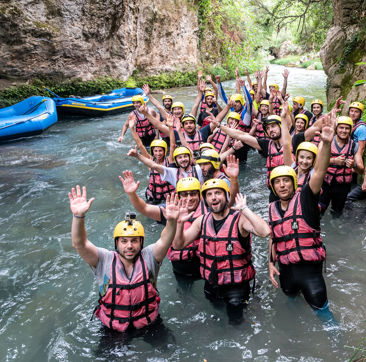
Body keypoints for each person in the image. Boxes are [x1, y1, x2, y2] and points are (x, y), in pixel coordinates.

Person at [68, 185, 180, 332]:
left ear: (141, 243)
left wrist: (171, 221)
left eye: (134, 241)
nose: (129, 246)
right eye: (124, 241)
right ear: (116, 243)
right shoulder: (103, 260)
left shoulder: (150, 257)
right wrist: (78, 216)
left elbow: (165, 239)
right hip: (113, 327)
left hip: (148, 323)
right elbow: (79, 244)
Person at [267, 111, 335, 316]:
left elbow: (320, 172)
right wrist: (270, 263)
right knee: (291, 308)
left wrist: (326, 143)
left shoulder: (306, 196)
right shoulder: (273, 207)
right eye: (277, 182)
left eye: (286, 180)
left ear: (293, 182)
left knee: (326, 319)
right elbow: (273, 236)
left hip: (310, 274)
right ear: (273, 187)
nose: (282, 185)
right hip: (286, 274)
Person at [177, 179, 270, 324]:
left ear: (226, 196)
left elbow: (265, 232)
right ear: (206, 200)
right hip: (211, 285)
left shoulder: (240, 219)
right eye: (209, 194)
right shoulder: (201, 221)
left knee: (236, 322)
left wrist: (244, 209)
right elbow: (179, 244)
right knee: (219, 315)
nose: (213, 197)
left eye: (218, 193)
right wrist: (178, 223)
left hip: (236, 288)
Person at [319, 116, 356, 217]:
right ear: (336, 128)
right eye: (341, 127)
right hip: (326, 183)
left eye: (347, 128)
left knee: (337, 213)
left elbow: (360, 168)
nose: (344, 131)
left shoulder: (354, 145)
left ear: (350, 130)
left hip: (342, 186)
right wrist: (334, 161)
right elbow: (317, 163)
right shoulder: (327, 141)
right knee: (319, 211)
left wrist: (353, 165)